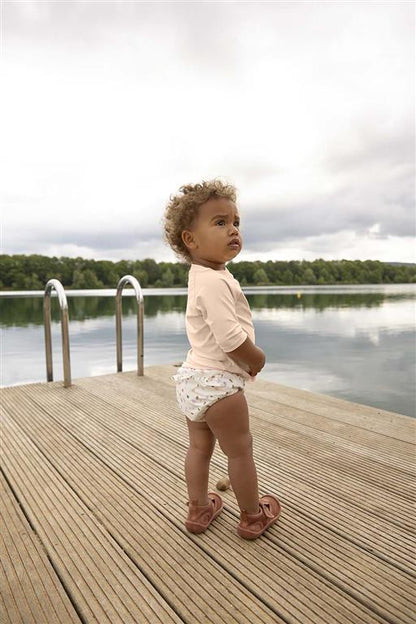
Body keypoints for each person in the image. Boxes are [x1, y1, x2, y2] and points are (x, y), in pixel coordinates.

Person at [163, 179, 281, 539]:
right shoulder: (215, 282)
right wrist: (255, 358)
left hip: (193, 380)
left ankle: (199, 509)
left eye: (236, 223)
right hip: (220, 385)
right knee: (240, 452)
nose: (233, 230)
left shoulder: (203, 276)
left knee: (199, 448)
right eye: (219, 222)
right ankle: (251, 516)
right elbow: (230, 338)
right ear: (190, 239)